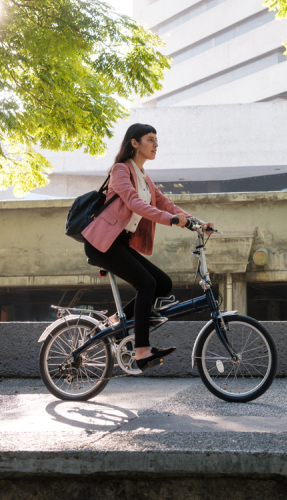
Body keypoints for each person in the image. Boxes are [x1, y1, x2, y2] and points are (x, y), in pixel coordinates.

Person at [81, 123, 214, 372]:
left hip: (119, 243)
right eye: (150, 139)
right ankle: (142, 349)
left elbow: (166, 203)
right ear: (135, 143)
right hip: (102, 243)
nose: (155, 144)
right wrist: (170, 221)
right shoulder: (120, 171)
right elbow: (132, 202)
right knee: (146, 283)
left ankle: (114, 322)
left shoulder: (144, 177)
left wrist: (197, 223)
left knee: (162, 283)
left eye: (156, 140)